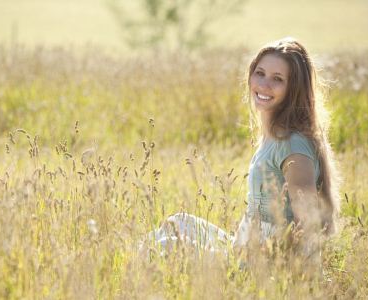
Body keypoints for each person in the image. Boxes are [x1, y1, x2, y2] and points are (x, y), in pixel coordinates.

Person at [142, 37, 341, 258]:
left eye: (277, 79)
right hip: (241, 250)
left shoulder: (293, 145)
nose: (263, 85)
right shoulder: (274, 136)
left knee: (161, 247)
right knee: (176, 223)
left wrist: (291, 278)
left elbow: (309, 224)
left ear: (293, 89)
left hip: (260, 263)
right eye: (260, 73)